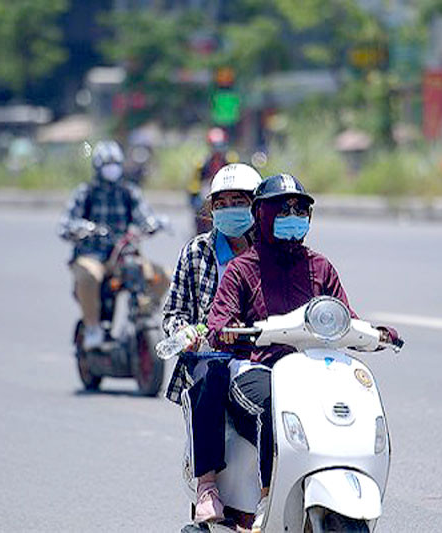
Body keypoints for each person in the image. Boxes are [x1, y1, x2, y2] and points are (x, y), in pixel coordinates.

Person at [205, 173, 401, 530]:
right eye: (283, 209)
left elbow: (345, 317)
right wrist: (228, 332)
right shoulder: (241, 269)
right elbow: (219, 322)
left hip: (314, 369)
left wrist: (377, 334)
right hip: (257, 368)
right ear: (262, 214)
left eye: (300, 209)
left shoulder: (320, 267)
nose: (292, 215)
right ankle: (268, 494)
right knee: (271, 403)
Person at [162, 163, 262, 523]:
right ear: (211, 209)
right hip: (210, 354)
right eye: (224, 202)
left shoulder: (274, 254)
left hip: (261, 354)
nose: (232, 208)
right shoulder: (195, 253)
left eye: (241, 200)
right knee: (212, 373)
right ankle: (207, 485)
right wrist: (187, 334)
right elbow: (172, 314)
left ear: (258, 206)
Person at [58, 140, 160, 350]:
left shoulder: (129, 192)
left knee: (161, 276)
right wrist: (82, 228)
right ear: (97, 167)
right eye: (107, 164)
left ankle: (143, 317)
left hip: (121, 255)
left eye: (115, 163)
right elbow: (66, 223)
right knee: (89, 276)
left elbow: (145, 215)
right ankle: (93, 328)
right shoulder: (85, 193)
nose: (112, 169)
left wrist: (153, 223)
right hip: (92, 255)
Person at [188, 127, 231, 234]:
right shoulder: (202, 163)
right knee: (200, 211)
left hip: (226, 190)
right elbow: (195, 184)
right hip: (207, 192)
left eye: (220, 146)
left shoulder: (230, 160)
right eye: (215, 146)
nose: (217, 150)